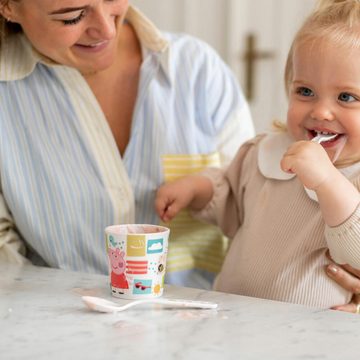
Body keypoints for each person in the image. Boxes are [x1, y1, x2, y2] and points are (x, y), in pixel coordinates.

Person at [0, 0, 255, 290]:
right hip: (54, 328)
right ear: (8, 7)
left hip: (210, 325)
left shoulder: (198, 69)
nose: (106, 30)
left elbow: (251, 209)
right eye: (72, 17)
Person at [156, 0, 360, 311]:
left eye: (346, 97)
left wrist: (328, 180)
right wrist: (196, 189)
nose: (320, 111)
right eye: (305, 91)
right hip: (234, 321)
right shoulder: (266, 152)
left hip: (312, 338)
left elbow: (354, 252)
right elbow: (230, 194)